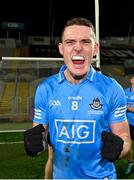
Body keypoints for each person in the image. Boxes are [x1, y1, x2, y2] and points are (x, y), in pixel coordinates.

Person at [24, 17, 131, 179]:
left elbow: (125, 140)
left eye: (85, 42)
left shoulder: (112, 89)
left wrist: (120, 149)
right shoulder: (45, 89)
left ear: (95, 49)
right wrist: (36, 145)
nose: (78, 48)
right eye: (70, 42)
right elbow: (41, 135)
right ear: (61, 48)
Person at [124, 75, 134, 175]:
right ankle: (130, 163)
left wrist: (126, 106)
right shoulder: (125, 92)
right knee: (127, 145)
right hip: (129, 124)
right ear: (131, 80)